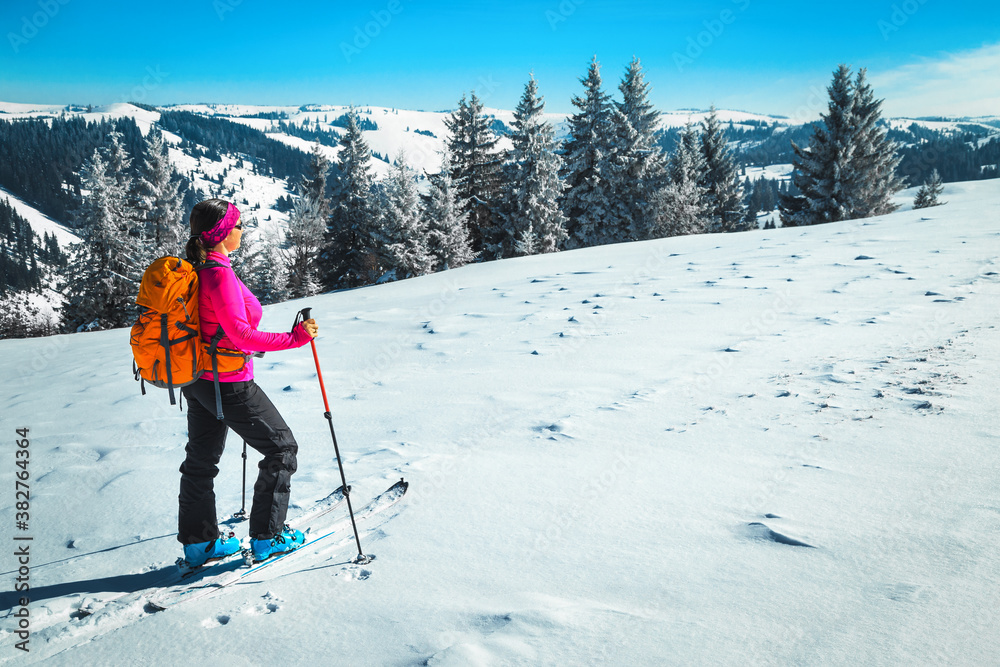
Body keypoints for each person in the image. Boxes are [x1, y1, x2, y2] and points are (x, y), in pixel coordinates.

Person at [178, 198, 319, 567]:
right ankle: (267, 537)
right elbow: (241, 335)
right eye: (238, 226)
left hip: (198, 379)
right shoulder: (219, 274)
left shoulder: (199, 268)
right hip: (228, 382)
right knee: (281, 449)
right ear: (222, 234)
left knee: (201, 460)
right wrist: (295, 338)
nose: (242, 231)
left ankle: (199, 545)